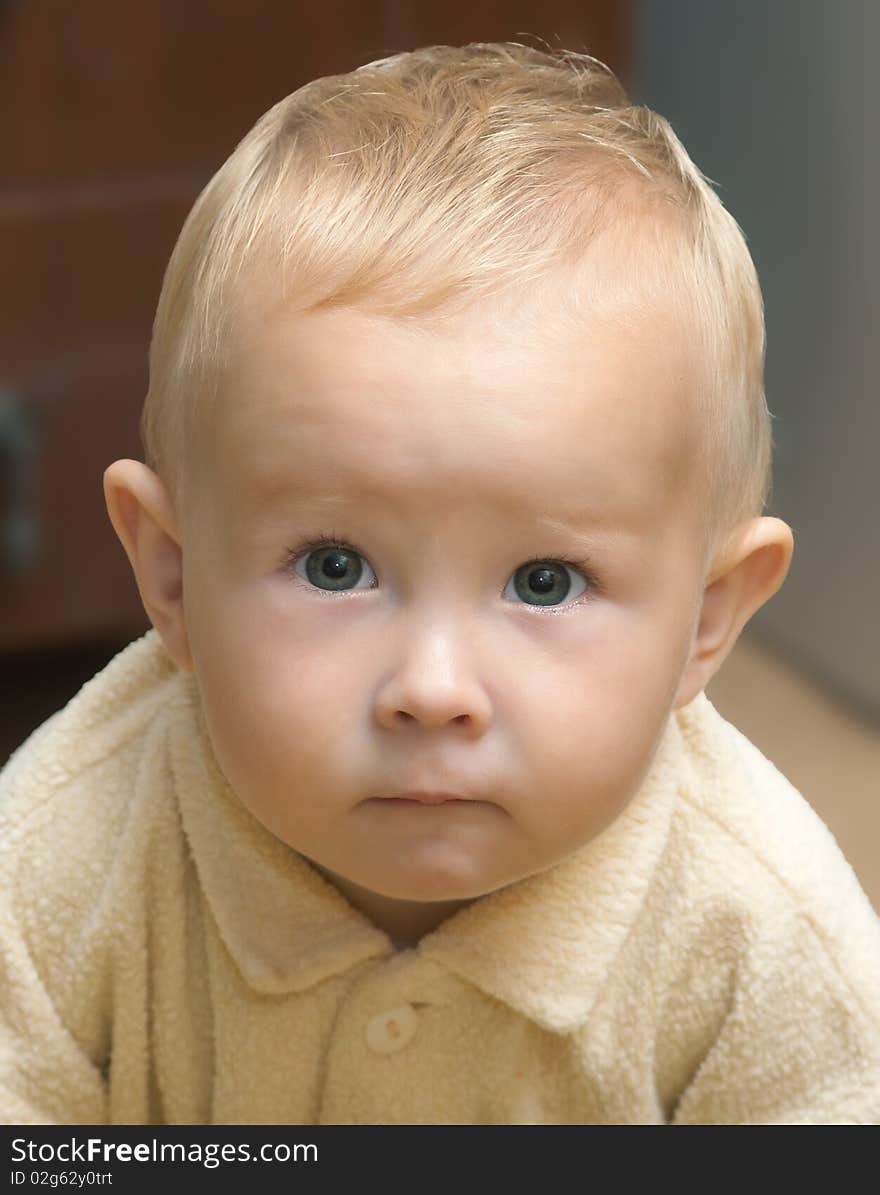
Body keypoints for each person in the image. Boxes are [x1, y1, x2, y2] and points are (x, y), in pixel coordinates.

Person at [2, 42, 878, 1126]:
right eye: (335, 567)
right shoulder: (52, 863)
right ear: (171, 575)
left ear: (706, 618)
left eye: (544, 581)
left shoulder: (761, 934)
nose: (432, 686)